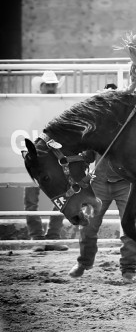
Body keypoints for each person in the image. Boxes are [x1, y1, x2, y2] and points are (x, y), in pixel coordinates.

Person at [69, 153, 136, 283]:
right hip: (99, 182)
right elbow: (87, 156)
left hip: (127, 182)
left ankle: (129, 268)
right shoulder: (97, 132)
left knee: (130, 226)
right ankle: (84, 262)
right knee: (88, 225)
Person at [24, 71, 65, 240]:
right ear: (41, 88)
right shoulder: (31, 106)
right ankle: (36, 235)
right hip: (36, 158)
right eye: (48, 85)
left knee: (62, 197)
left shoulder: (60, 108)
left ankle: (52, 235)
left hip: (53, 158)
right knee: (31, 198)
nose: (50, 88)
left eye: (53, 85)